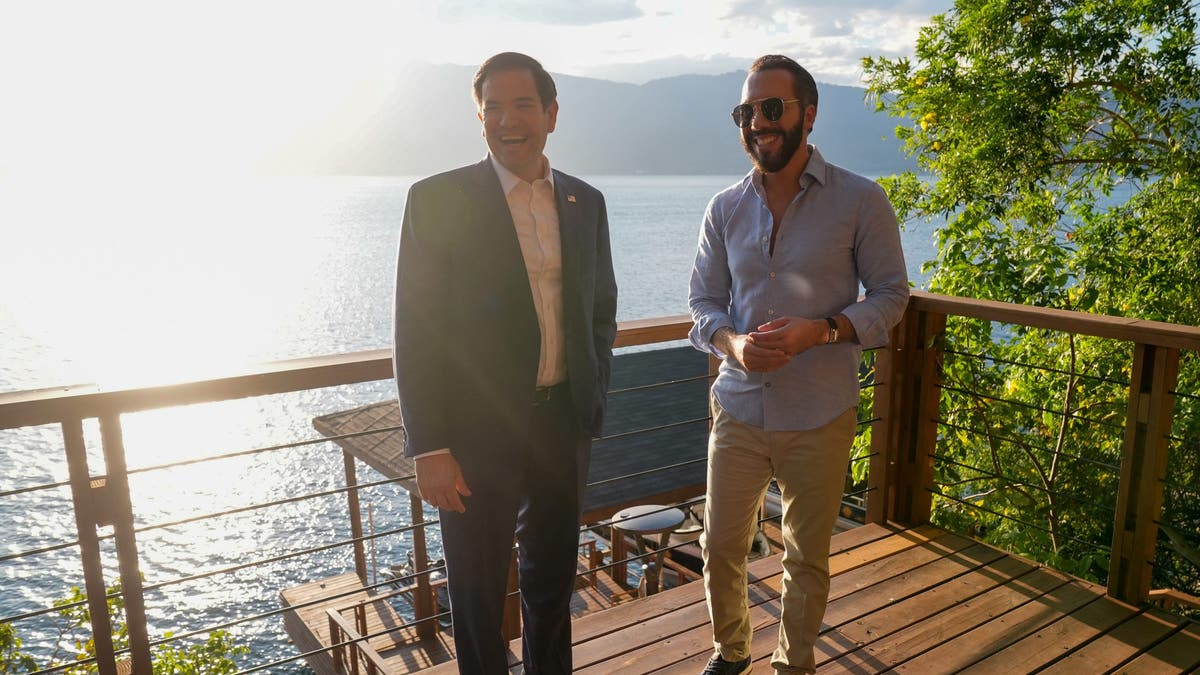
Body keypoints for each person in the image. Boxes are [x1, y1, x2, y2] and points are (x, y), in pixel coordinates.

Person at [392, 51, 618, 674]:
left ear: (550, 113)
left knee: (551, 582)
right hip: (471, 434)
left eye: (522, 105)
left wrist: (591, 391)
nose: (507, 120)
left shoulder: (584, 201)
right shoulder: (438, 199)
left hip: (560, 424)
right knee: (475, 589)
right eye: (492, 108)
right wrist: (428, 445)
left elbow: (600, 309)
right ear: (480, 117)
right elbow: (415, 328)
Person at [687, 55, 909, 675]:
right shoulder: (724, 208)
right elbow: (702, 304)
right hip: (738, 406)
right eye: (747, 111)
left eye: (772, 108)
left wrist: (824, 330)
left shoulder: (862, 201)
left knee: (806, 556)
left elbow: (892, 296)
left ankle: (794, 665)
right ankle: (731, 654)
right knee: (720, 546)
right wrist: (731, 343)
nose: (758, 121)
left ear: (808, 115)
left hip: (820, 411)